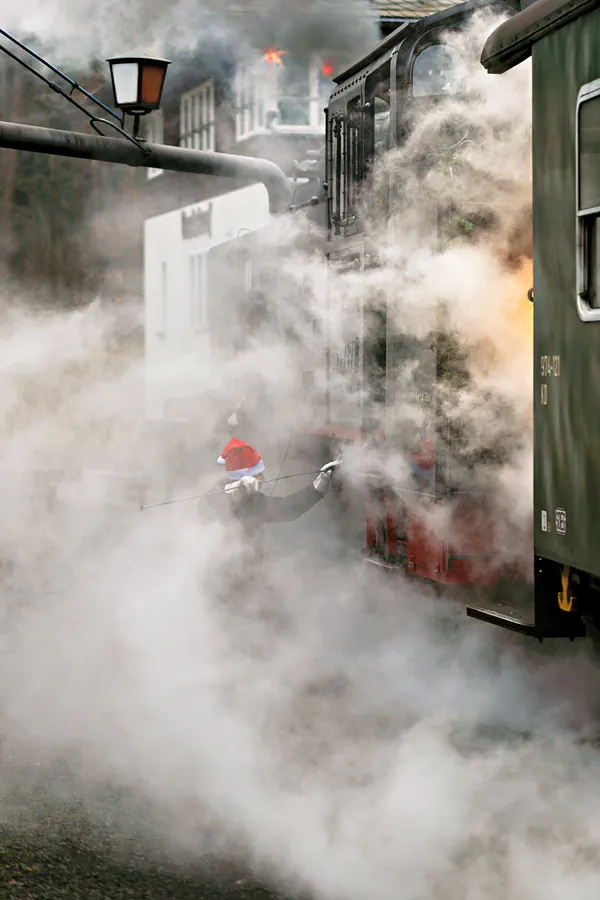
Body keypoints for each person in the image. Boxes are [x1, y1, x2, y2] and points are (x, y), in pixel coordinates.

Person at [199, 437, 341, 589]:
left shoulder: (252, 500)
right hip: (224, 584)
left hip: (247, 577)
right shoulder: (224, 493)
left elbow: (287, 508)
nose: (263, 478)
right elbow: (204, 510)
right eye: (258, 474)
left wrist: (316, 488)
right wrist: (234, 494)